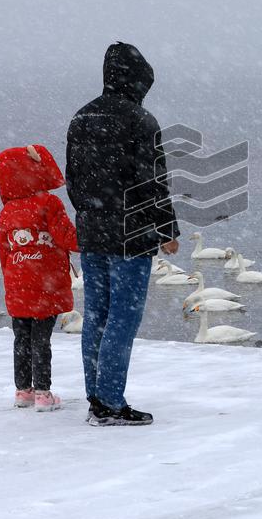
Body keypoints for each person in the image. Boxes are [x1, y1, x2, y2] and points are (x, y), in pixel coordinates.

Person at [66, 42, 180, 426]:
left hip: (93, 232)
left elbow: (74, 181)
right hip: (132, 233)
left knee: (96, 313)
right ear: (138, 80)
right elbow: (153, 182)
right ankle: (112, 402)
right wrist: (166, 229)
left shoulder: (81, 117)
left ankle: (96, 397)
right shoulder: (140, 121)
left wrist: (90, 212)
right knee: (123, 318)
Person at [0, 144, 79, 412]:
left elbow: (4, 252)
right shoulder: (49, 203)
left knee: (21, 338)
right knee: (42, 338)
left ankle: (23, 391)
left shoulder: (7, 211)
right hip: (45, 283)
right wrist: (93, 240)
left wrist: (12, 279)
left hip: (18, 284)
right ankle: (43, 392)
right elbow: (67, 237)